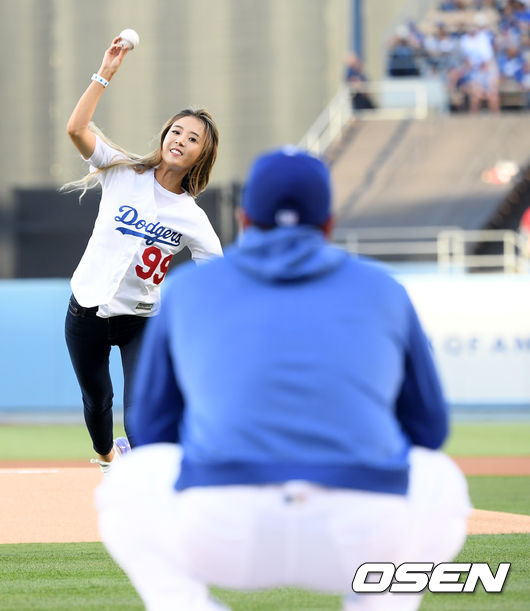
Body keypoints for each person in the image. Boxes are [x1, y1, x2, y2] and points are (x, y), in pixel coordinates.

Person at [96, 147, 471, 610]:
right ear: (329, 224)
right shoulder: (384, 291)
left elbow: (153, 430)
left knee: (129, 480)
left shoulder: (190, 290)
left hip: (226, 533)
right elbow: (430, 428)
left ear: (244, 219)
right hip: (357, 536)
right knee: (442, 479)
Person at [63, 35, 222, 473]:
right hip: (87, 311)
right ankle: (108, 457)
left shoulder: (192, 218)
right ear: (165, 134)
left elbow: (216, 282)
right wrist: (104, 74)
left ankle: (153, 496)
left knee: (141, 420)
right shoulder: (122, 171)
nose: (180, 140)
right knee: (98, 403)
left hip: (139, 322)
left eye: (192, 138)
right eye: (176, 131)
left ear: (200, 154)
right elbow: (77, 130)